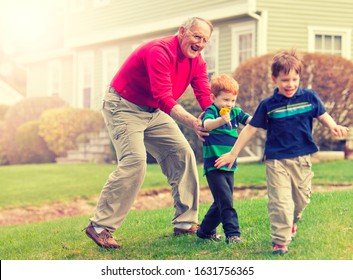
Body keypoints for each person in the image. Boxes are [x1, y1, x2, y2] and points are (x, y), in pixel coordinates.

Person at [84, 17, 214, 249]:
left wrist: (216, 116)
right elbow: (164, 97)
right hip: (123, 105)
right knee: (135, 161)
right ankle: (100, 227)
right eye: (196, 36)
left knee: (182, 154)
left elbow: (204, 94)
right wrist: (193, 122)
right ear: (182, 31)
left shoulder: (197, 62)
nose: (200, 43)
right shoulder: (159, 51)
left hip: (153, 110)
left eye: (205, 40)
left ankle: (185, 223)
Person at [214, 49, 349, 254]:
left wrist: (333, 126)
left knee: (301, 200)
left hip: (302, 159)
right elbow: (250, 128)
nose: (291, 84)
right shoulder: (268, 105)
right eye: (285, 80)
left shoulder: (309, 97)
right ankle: (280, 241)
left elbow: (322, 114)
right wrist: (233, 153)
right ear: (274, 79)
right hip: (276, 160)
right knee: (280, 201)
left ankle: (292, 222)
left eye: (295, 79)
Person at [196, 74, 251, 244]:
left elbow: (251, 121)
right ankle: (233, 234)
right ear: (213, 98)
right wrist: (221, 120)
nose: (230, 104)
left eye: (233, 100)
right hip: (214, 166)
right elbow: (206, 125)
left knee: (222, 200)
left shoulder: (235, 112)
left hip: (229, 165)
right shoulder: (211, 111)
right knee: (226, 201)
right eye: (226, 100)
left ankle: (204, 231)